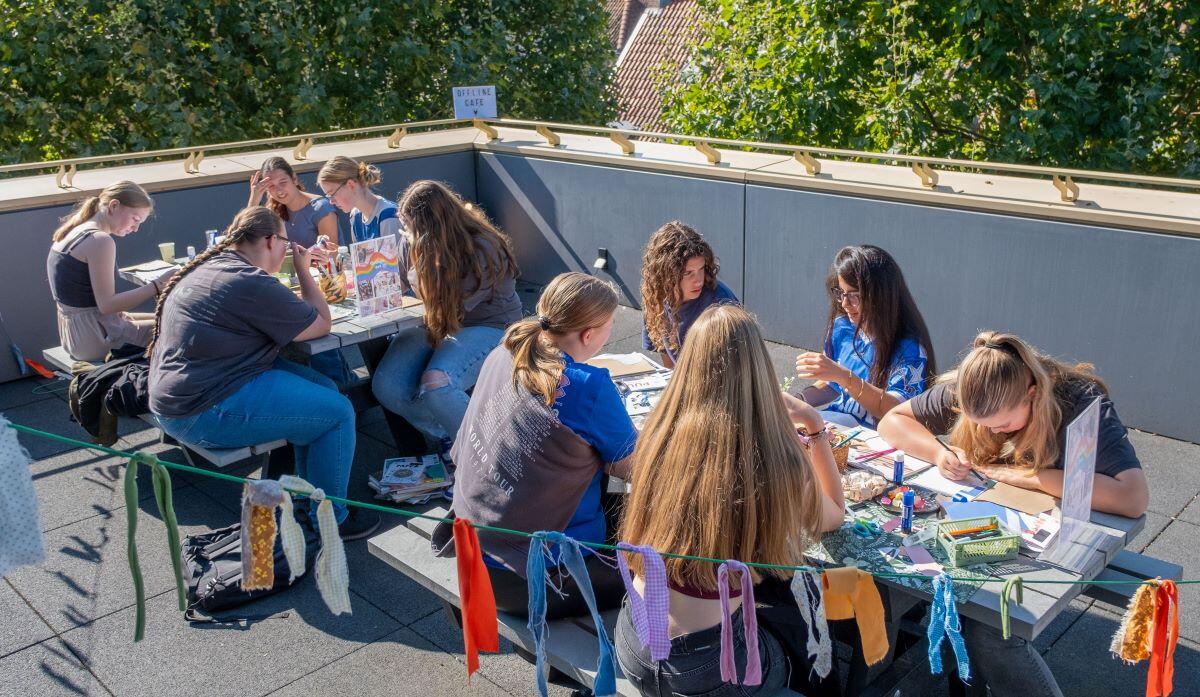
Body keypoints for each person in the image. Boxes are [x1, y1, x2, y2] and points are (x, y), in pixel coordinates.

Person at [877, 330, 1149, 697]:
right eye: (982, 425)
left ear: (1032, 394)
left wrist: (1031, 477)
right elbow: (892, 421)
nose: (993, 432)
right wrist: (939, 453)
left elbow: (1132, 497)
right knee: (943, 590)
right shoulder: (975, 386)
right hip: (987, 521)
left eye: (1002, 426)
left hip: (1056, 534)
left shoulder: (1081, 403)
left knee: (988, 626)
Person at [618, 304, 845, 697]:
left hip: (632, 640)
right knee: (813, 651)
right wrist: (814, 425)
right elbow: (832, 516)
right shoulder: (774, 456)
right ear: (760, 370)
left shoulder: (657, 431)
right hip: (707, 668)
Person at [146, 206, 378, 539]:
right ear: (270, 240)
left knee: (326, 388)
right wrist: (303, 270)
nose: (288, 249)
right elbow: (321, 323)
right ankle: (331, 520)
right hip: (202, 409)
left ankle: (307, 498)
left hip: (190, 392)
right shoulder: (249, 281)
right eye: (286, 242)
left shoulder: (213, 266)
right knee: (339, 413)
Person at [433, 272, 635, 617]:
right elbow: (634, 468)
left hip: (475, 543)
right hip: (534, 575)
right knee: (669, 563)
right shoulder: (587, 387)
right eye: (609, 326)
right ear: (589, 334)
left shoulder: (507, 350)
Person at [370, 180, 522, 453]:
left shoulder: (482, 247)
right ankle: (452, 434)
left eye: (409, 224)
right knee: (387, 386)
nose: (405, 230)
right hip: (436, 323)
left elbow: (447, 306)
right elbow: (400, 286)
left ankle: (485, 457)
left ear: (431, 226)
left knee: (438, 384)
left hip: (489, 325)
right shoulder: (414, 242)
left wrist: (420, 261)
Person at [796, 245, 934, 428]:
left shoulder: (909, 348)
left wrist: (844, 376)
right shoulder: (840, 327)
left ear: (882, 296)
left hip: (877, 442)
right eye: (840, 293)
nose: (845, 303)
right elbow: (832, 385)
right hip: (836, 427)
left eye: (855, 295)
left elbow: (896, 411)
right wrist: (796, 401)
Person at [46, 181, 173, 362]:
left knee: (168, 317)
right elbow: (107, 305)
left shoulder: (73, 232)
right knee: (183, 326)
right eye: (135, 219)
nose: (136, 229)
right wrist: (157, 285)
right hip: (94, 338)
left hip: (76, 333)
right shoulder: (100, 240)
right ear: (114, 206)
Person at [640, 221, 739, 368]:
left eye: (701, 269)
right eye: (688, 273)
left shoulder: (721, 301)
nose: (698, 280)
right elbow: (667, 356)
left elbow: (738, 364)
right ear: (666, 274)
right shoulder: (656, 297)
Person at [247, 157, 338, 261]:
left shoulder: (321, 208)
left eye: (283, 182)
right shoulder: (273, 210)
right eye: (271, 186)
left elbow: (331, 256)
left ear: (294, 179)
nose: (279, 190)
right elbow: (248, 237)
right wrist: (254, 198)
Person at [316, 156, 401, 243]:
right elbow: (361, 257)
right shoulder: (355, 214)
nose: (331, 201)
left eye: (332, 194)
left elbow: (399, 256)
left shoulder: (389, 217)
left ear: (351, 185)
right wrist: (333, 253)